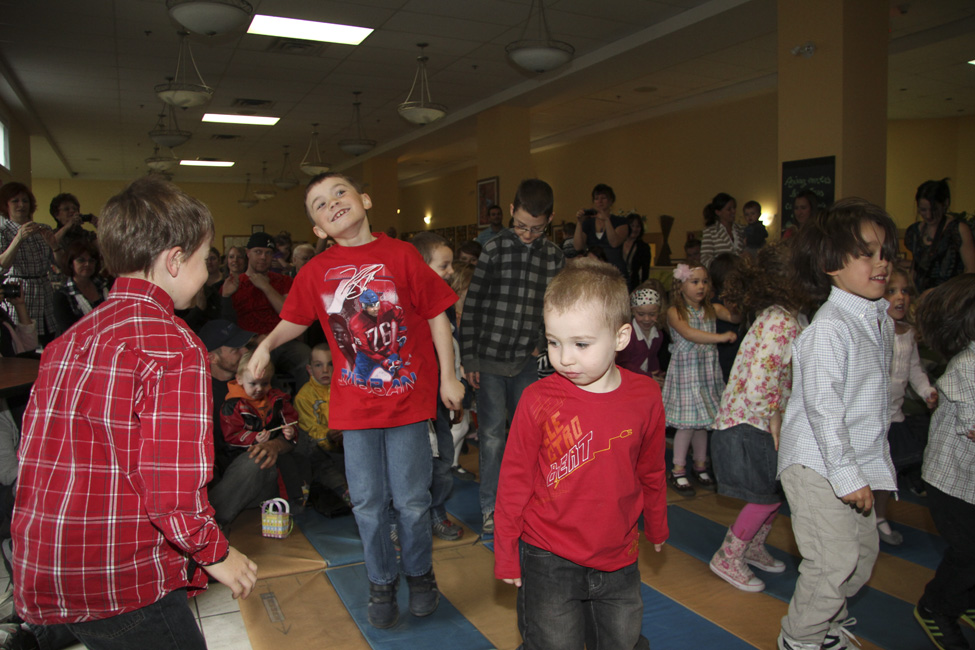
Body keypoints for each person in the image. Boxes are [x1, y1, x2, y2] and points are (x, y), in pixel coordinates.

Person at [10, 177, 257, 650]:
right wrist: (216, 553)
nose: (207, 274)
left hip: (46, 562)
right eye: (204, 260)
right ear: (174, 260)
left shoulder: (71, 339)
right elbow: (172, 489)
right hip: (115, 575)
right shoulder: (171, 344)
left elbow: (36, 453)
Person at [248, 172, 464, 629]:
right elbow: (293, 320)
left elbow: (437, 315)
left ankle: (420, 576)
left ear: (364, 199)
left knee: (410, 500)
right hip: (358, 409)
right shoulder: (315, 272)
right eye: (320, 205)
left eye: (339, 193)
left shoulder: (401, 254)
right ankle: (381, 581)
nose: (333, 204)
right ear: (319, 229)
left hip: (407, 402)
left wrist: (449, 377)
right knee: (367, 502)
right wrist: (265, 347)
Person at [494, 258, 668, 650]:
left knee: (622, 641)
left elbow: (651, 469)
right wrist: (507, 550)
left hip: (618, 552)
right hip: (548, 555)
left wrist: (656, 524)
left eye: (581, 344)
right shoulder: (538, 400)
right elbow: (514, 480)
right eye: (554, 342)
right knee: (553, 643)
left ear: (621, 337)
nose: (564, 358)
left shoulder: (645, 396)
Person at [775, 198, 899, 650]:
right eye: (866, 252)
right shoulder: (830, 328)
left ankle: (826, 621)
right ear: (830, 263)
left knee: (862, 556)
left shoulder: (875, 319)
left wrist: (864, 470)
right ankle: (801, 639)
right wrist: (847, 475)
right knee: (833, 559)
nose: (881, 262)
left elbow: (866, 407)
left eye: (885, 252)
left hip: (849, 461)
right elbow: (823, 410)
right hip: (815, 464)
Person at [460, 179, 566, 535]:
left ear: (549, 220)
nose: (526, 234)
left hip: (524, 359)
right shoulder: (493, 248)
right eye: (521, 225)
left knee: (528, 436)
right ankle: (491, 507)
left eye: (536, 229)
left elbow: (556, 307)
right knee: (491, 436)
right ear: (510, 211)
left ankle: (526, 503)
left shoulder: (553, 257)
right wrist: (470, 358)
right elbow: (472, 307)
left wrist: (540, 340)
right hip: (489, 358)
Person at [709, 244, 805, 592]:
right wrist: (773, 417)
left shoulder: (784, 317)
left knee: (776, 492)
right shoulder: (780, 321)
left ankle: (751, 546)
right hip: (752, 421)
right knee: (764, 494)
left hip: (762, 419)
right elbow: (761, 381)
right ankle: (729, 555)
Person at [912, 273, 975, 650]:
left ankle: (963, 599)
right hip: (950, 484)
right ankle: (936, 607)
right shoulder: (967, 367)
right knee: (969, 553)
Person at [662, 262, 737, 497]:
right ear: (681, 285)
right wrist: (720, 336)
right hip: (687, 374)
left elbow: (734, 316)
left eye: (704, 281)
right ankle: (677, 468)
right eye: (694, 282)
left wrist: (736, 299)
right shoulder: (675, 312)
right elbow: (689, 334)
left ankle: (700, 465)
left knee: (704, 423)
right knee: (686, 424)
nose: (701, 286)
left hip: (706, 374)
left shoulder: (712, 308)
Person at [410, 232, 464, 541]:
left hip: (439, 403)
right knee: (410, 466)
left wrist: (454, 386)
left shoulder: (444, 305)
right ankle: (399, 519)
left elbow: (452, 350)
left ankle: (436, 512)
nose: (451, 271)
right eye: (444, 265)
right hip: (413, 405)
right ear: (420, 267)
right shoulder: (409, 310)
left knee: (443, 461)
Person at [877, 267, 937, 546]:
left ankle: (878, 516)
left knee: (888, 473)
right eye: (892, 291)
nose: (900, 297)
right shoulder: (876, 329)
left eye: (905, 291)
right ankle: (859, 520)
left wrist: (927, 392)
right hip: (871, 418)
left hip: (894, 416)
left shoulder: (908, 333)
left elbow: (914, 369)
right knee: (870, 472)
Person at [225, 232, 309, 389]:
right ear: (248, 253)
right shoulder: (234, 283)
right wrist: (252, 339)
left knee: (307, 357)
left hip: (282, 341)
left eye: (268, 253)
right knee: (255, 369)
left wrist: (266, 287)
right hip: (249, 344)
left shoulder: (283, 281)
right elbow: (227, 323)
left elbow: (288, 313)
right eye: (258, 252)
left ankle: (305, 408)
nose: (263, 257)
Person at [220, 352, 304, 508]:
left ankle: (293, 502)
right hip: (240, 456)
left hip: (275, 452)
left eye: (265, 384)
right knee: (257, 461)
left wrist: (290, 430)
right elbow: (231, 435)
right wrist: (253, 438)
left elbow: (290, 418)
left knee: (290, 461)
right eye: (253, 384)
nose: (259, 389)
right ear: (239, 380)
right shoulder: (233, 405)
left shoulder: (277, 399)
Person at [0, 182, 58, 344]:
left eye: (25, 201)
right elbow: (2, 266)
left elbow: (59, 264)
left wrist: (55, 246)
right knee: (24, 343)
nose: (21, 205)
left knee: (49, 339)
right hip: (20, 293)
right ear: (6, 205)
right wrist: (18, 238)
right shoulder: (2, 231)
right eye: (15, 201)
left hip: (45, 291)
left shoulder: (42, 229)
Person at [904, 179, 975, 293]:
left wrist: (940, 293)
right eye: (923, 210)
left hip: (950, 298)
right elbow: (915, 268)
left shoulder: (958, 229)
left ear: (945, 204)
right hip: (921, 298)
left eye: (934, 209)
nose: (928, 215)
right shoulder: (915, 231)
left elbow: (971, 271)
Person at [52, 239, 111, 334]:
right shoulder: (62, 296)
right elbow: (68, 331)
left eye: (91, 260)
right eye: (81, 260)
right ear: (71, 264)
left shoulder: (106, 285)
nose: (87, 264)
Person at [616, 281, 666, 388]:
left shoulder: (658, 334)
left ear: (658, 312)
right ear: (633, 312)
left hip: (644, 378)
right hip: (627, 380)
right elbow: (623, 363)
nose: (647, 319)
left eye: (652, 314)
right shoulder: (629, 334)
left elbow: (652, 357)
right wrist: (647, 375)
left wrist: (657, 373)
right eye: (641, 314)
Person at [573, 183, 627, 276]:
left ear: (611, 201)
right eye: (596, 198)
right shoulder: (588, 223)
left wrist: (606, 220)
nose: (600, 201)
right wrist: (579, 222)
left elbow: (614, 242)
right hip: (594, 271)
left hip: (615, 270)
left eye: (604, 198)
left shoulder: (621, 222)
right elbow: (578, 246)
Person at [700, 192, 743, 268]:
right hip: (722, 276)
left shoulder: (742, 230)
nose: (733, 211)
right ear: (718, 212)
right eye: (729, 209)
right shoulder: (710, 232)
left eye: (734, 208)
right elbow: (705, 259)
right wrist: (724, 266)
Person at [48, 192, 96, 260]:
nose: (72, 211)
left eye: (75, 209)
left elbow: (104, 249)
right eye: (66, 209)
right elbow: (51, 243)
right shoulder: (52, 233)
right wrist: (69, 225)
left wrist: (100, 227)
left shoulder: (87, 234)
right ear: (56, 215)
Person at [622, 212, 651, 290]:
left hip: (634, 285)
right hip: (617, 283)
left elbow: (645, 271)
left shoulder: (644, 247)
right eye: (632, 226)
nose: (634, 229)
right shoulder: (618, 243)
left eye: (638, 226)